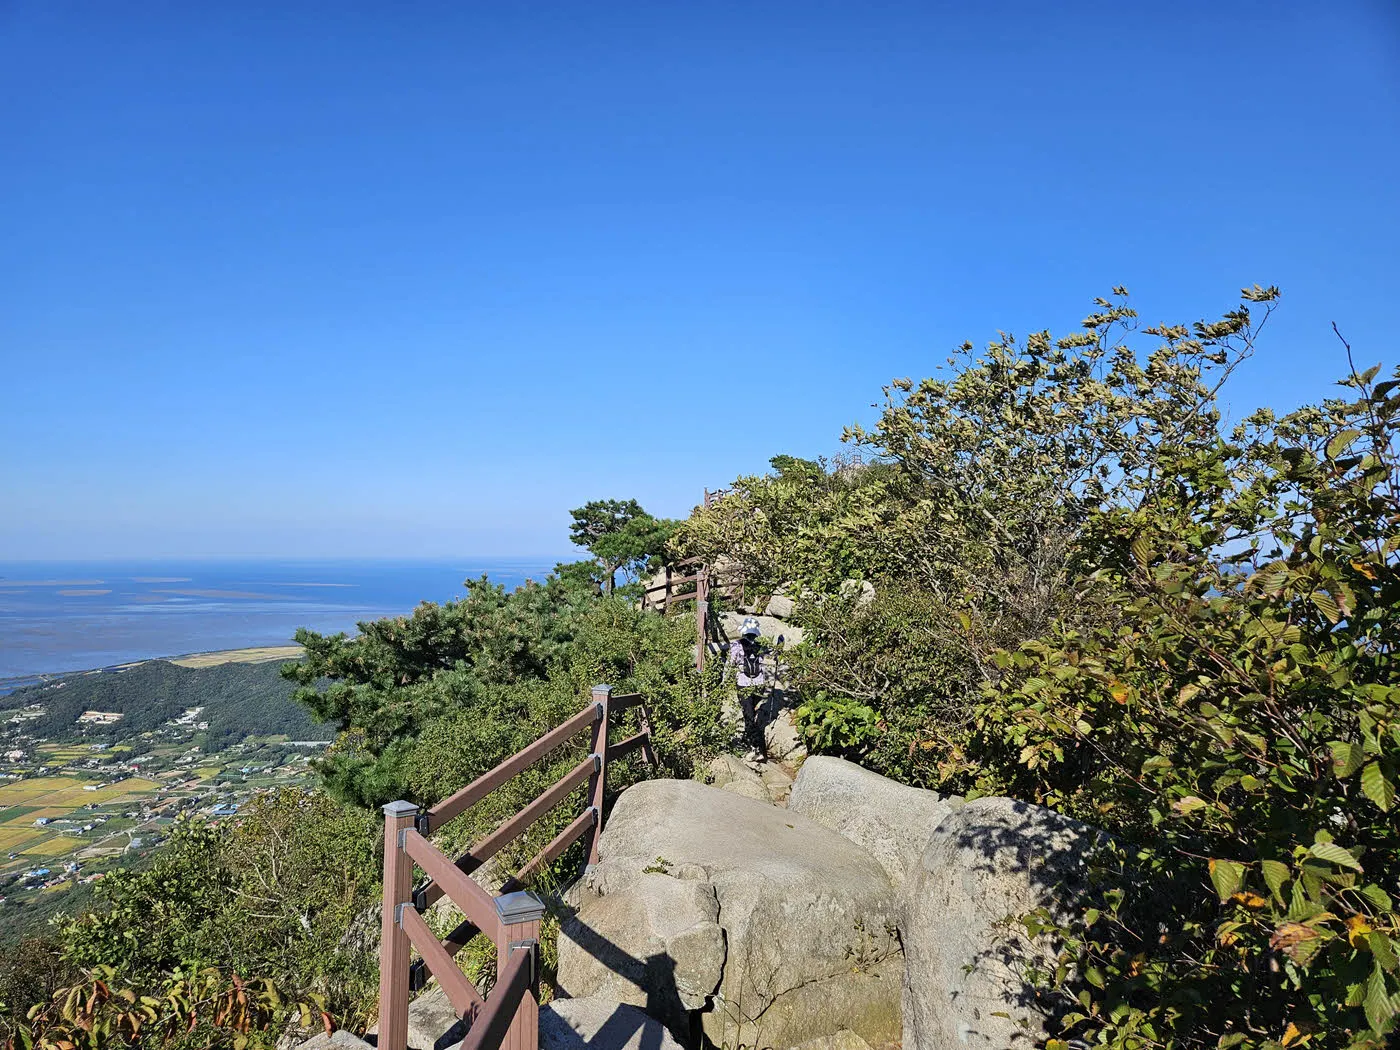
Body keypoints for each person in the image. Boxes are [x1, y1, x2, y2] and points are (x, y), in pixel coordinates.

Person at [728, 617, 766, 750]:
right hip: (759, 685)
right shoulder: (762, 645)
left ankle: (758, 747)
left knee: (748, 714)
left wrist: (724, 681)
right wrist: (780, 643)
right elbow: (775, 654)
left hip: (743, 684)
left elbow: (730, 664)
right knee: (750, 713)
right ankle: (746, 738)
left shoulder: (736, 645)